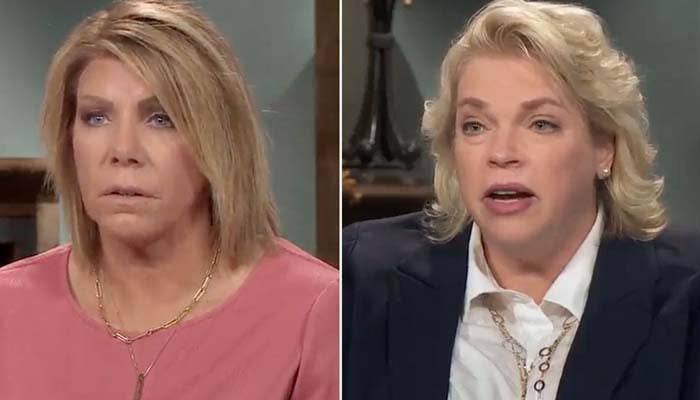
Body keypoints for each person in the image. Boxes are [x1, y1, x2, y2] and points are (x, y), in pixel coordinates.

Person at [343, 1, 700, 399]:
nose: (501, 153)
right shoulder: (361, 277)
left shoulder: (686, 295)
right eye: (475, 126)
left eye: (540, 124)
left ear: (604, 147)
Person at [0, 1, 338, 399]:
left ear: (219, 141)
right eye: (96, 117)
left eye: (161, 119)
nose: (123, 150)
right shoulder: (9, 307)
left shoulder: (315, 311)